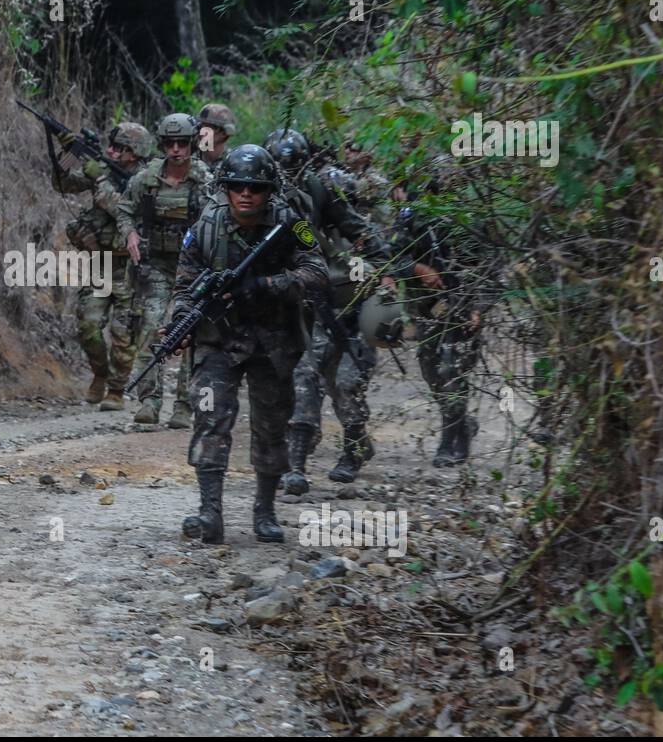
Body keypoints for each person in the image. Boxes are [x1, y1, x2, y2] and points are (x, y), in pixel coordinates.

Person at [170, 144, 329, 543]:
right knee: (210, 419)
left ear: (268, 191)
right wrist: (179, 321)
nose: (245, 194)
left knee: (272, 426)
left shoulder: (293, 223)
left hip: (273, 341)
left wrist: (268, 285)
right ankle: (210, 512)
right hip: (218, 340)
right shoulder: (204, 227)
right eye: (237, 186)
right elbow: (184, 285)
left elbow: (318, 270)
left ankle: (265, 510)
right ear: (225, 188)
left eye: (255, 188)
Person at [266, 129, 393, 490]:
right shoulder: (265, 199)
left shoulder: (324, 199)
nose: (287, 174)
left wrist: (384, 273)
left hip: (352, 307)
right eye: (281, 166)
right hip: (310, 305)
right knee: (304, 377)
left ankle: (355, 446)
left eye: (293, 166)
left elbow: (365, 233)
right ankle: (295, 464)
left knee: (346, 384)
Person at [389, 159, 496, 466]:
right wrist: (418, 269)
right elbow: (389, 257)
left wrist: (479, 308)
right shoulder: (412, 217)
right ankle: (461, 423)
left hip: (461, 307)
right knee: (430, 369)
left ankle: (452, 440)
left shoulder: (471, 220)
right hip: (426, 308)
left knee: (452, 370)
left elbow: (490, 269)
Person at [49, 121, 156, 410]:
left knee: (124, 334)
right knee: (88, 325)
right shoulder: (106, 170)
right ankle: (100, 374)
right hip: (101, 264)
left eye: (118, 148)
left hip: (130, 268)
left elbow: (123, 209)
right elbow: (63, 184)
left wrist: (99, 180)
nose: (111, 151)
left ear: (133, 153)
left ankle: (117, 391)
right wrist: (69, 152)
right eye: (110, 146)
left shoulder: (148, 180)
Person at [117, 113, 212, 426]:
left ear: (192, 144)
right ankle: (150, 401)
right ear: (162, 145)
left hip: (193, 270)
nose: (176, 149)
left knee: (189, 332)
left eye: (182, 143)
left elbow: (220, 220)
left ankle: (185, 405)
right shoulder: (146, 178)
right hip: (157, 264)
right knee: (151, 327)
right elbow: (124, 210)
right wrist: (130, 233)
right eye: (170, 143)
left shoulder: (204, 180)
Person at [196, 102, 237, 174]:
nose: (200, 131)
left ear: (223, 133)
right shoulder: (191, 158)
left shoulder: (233, 162)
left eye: (207, 127)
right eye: (200, 126)